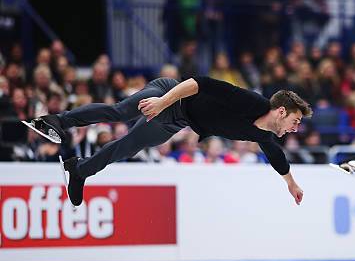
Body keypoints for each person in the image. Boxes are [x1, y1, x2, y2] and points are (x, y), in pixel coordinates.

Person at [25, 77, 312, 206]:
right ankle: (56, 121)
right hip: (170, 94)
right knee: (122, 112)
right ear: (282, 111)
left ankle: (78, 170)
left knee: (129, 146)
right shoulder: (251, 102)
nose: (295, 129)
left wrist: (291, 183)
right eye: (295, 121)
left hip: (178, 120)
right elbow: (199, 83)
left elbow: (276, 156)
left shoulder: (265, 134)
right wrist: (163, 101)